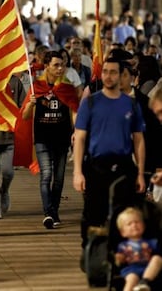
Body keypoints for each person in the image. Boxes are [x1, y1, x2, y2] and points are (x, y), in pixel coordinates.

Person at [73, 57, 146, 266]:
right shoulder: (91, 102)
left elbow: (139, 140)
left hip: (123, 166)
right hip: (96, 166)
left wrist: (140, 172)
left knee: (124, 214)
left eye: (113, 72)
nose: (108, 76)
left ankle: (120, 255)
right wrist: (78, 172)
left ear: (122, 75)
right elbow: (79, 138)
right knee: (93, 213)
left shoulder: (131, 104)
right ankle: (91, 252)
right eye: (105, 71)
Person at [21, 51, 79, 229]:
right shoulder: (36, 86)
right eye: (56, 65)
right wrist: (31, 103)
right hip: (42, 138)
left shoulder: (67, 88)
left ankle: (55, 210)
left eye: (62, 65)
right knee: (46, 175)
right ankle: (48, 213)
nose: (60, 68)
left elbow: (75, 110)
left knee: (59, 178)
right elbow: (24, 116)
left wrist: (76, 131)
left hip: (62, 138)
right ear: (46, 66)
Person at [0, 74, 26, 219]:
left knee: (8, 171)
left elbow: (22, 106)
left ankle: (4, 191)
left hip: (10, 137)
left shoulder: (16, 82)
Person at [115, 207, 162, 291]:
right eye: (129, 224)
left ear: (143, 226)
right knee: (131, 279)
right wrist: (119, 258)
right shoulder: (123, 245)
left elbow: (158, 253)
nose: (134, 225)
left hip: (148, 268)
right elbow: (120, 259)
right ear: (123, 232)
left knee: (157, 258)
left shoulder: (151, 242)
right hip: (131, 268)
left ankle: (144, 282)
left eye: (137, 222)